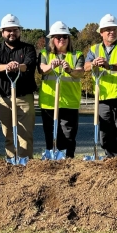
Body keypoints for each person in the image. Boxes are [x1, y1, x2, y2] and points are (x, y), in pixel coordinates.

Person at [84, 14, 117, 160]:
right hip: (103, 98)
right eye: (107, 29)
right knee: (105, 134)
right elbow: (85, 66)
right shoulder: (94, 49)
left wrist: (109, 65)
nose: (111, 32)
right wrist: (93, 63)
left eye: (114, 29)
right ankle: (111, 162)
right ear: (101, 32)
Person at [0, 14, 37, 159]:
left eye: (14, 30)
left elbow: (29, 64)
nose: (12, 33)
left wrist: (17, 65)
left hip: (24, 97)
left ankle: (26, 163)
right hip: (4, 99)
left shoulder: (28, 48)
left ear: (19, 31)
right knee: (8, 134)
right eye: (8, 30)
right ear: (2, 32)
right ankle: (11, 163)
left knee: (25, 135)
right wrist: (7, 66)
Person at [39, 21, 84, 158]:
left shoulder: (77, 55)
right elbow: (41, 70)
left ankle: (68, 162)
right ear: (52, 39)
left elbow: (80, 72)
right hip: (49, 103)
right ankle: (52, 160)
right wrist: (50, 66)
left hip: (69, 102)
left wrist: (69, 69)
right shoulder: (45, 54)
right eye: (58, 37)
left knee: (68, 136)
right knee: (51, 134)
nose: (62, 40)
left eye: (65, 37)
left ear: (69, 39)